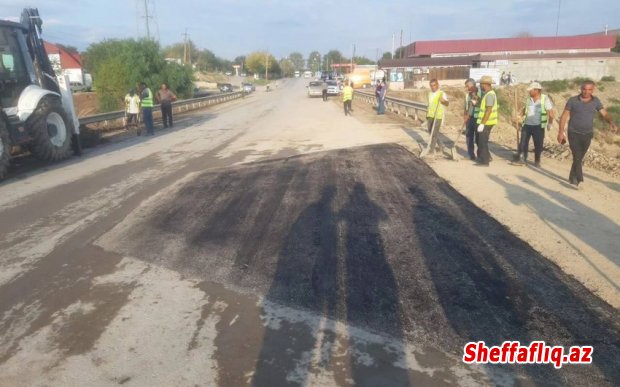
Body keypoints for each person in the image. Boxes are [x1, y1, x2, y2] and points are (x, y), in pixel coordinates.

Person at [558, 80, 618, 188]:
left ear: (593, 90)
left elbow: (604, 113)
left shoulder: (596, 101)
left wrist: (611, 123)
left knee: (579, 157)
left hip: (587, 134)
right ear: (581, 89)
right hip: (573, 132)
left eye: (589, 89)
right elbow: (564, 116)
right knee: (576, 155)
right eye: (584, 89)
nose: (586, 92)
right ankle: (579, 178)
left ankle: (572, 177)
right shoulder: (572, 100)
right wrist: (560, 132)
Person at [514, 82, 555, 167]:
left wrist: (550, 124)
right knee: (523, 143)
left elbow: (551, 113)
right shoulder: (529, 99)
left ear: (536, 90)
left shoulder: (545, 99)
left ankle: (537, 160)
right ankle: (522, 159)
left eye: (531, 90)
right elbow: (525, 109)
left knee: (538, 144)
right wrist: (519, 115)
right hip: (527, 125)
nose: (529, 92)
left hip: (538, 126)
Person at [475, 75, 498, 166]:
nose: (480, 86)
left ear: (485, 84)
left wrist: (482, 124)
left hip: (487, 122)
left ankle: (485, 161)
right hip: (486, 122)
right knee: (481, 140)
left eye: (481, 84)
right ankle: (486, 157)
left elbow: (488, 110)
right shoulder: (487, 94)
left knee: (482, 141)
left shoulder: (490, 95)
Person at [426, 79, 449, 154]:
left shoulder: (441, 93)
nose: (433, 87)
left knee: (434, 132)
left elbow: (447, 104)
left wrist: (443, 101)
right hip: (430, 115)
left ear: (437, 85)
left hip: (438, 116)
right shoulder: (429, 94)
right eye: (431, 86)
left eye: (434, 85)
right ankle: (441, 145)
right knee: (430, 132)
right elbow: (429, 105)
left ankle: (431, 149)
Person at [463, 78, 481, 160]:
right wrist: (465, 116)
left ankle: (480, 154)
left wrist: (474, 95)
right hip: (469, 119)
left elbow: (475, 103)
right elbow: (466, 107)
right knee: (469, 137)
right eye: (466, 86)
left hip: (477, 118)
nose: (467, 88)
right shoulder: (467, 95)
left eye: (467, 86)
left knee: (478, 138)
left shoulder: (479, 93)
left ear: (473, 85)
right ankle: (471, 155)